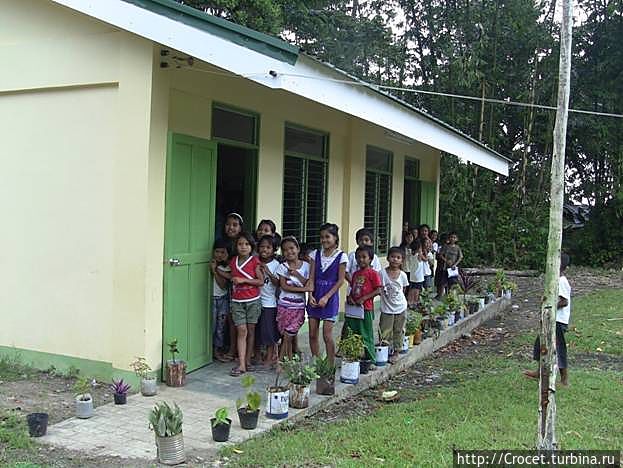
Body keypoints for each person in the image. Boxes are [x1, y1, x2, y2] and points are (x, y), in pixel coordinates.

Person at [524, 253, 572, 386]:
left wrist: (549, 307)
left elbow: (564, 302)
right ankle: (540, 371)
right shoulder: (555, 280)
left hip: (558, 321)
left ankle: (564, 379)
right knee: (540, 343)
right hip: (551, 319)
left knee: (558, 348)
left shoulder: (561, 281)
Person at [307, 223, 347, 364]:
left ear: (335, 238)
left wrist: (326, 297)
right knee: (312, 334)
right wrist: (310, 295)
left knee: (327, 335)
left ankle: (330, 365)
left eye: (327, 237)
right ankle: (316, 362)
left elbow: (340, 280)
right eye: (322, 237)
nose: (324, 240)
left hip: (330, 299)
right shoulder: (315, 255)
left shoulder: (341, 256)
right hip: (315, 295)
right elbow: (311, 277)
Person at [229, 232, 264, 376]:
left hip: (252, 301)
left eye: (246, 244)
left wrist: (243, 280)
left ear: (251, 246)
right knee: (241, 330)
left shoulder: (255, 261)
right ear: (236, 246)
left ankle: (248, 360)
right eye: (240, 244)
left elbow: (260, 281)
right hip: (237, 301)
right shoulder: (233, 261)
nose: (243, 247)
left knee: (251, 330)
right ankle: (242, 364)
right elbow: (231, 276)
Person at [276, 236, 311, 360]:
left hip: (299, 306)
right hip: (284, 305)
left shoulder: (307, 266)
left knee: (290, 333)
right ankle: (289, 360)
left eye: (292, 248)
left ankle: (281, 360)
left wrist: (297, 274)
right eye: (285, 250)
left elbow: (308, 283)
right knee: (286, 334)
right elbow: (284, 286)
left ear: (298, 249)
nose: (289, 252)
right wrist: (304, 289)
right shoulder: (282, 267)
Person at [344, 246, 382, 363]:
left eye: (364, 257)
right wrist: (350, 298)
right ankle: (354, 357)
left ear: (370, 259)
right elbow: (352, 288)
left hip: (366, 309)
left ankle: (371, 358)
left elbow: (378, 290)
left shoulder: (373, 273)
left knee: (366, 334)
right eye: (358, 257)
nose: (361, 260)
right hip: (354, 309)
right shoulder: (355, 274)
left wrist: (364, 298)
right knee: (353, 333)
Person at [380, 247, 410, 364]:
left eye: (398, 257)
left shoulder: (403, 275)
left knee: (399, 330)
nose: (395, 259)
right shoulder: (382, 273)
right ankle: (384, 352)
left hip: (401, 307)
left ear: (402, 260)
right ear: (388, 258)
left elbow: (403, 289)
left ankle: (396, 352)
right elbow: (380, 288)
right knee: (384, 331)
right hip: (387, 308)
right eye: (392, 257)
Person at [256, 235, 281, 367]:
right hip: (255, 301)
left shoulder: (276, 264)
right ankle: (258, 356)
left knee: (269, 332)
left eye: (268, 247)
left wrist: (267, 271)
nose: (264, 250)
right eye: (262, 246)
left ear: (274, 249)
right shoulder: (254, 261)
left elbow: (278, 283)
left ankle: (270, 357)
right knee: (257, 331)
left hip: (269, 303)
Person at [210, 239, 231, 363]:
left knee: (220, 327)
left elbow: (222, 285)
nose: (219, 255)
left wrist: (215, 271)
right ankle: (209, 351)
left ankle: (217, 350)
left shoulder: (226, 267)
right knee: (212, 326)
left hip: (222, 299)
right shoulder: (208, 263)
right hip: (212, 299)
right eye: (217, 251)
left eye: (223, 252)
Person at [437, 232, 463, 297]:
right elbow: (440, 255)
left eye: (454, 237)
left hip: (453, 268)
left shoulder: (457, 247)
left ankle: (450, 296)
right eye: (451, 237)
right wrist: (446, 261)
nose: (452, 239)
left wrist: (455, 264)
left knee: (452, 283)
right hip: (445, 267)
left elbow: (460, 257)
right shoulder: (445, 246)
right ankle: (440, 295)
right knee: (443, 282)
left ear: (456, 239)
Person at [408, 239, 426, 308]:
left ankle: (410, 302)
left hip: (412, 275)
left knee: (412, 289)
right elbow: (426, 259)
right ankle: (415, 303)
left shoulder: (411, 254)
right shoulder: (419, 255)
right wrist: (424, 252)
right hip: (419, 276)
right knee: (417, 290)